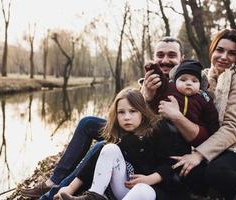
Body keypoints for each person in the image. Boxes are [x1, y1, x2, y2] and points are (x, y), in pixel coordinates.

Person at [20, 36, 211, 199]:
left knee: (101, 146)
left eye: (171, 55)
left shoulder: (189, 86)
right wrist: (145, 96)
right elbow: (126, 113)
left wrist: (177, 118)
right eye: (160, 55)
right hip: (136, 136)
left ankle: (57, 192)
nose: (165, 60)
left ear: (182, 58)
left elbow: (199, 131)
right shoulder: (150, 81)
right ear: (154, 58)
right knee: (87, 123)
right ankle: (54, 182)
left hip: (160, 146)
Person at [162, 29, 236, 200]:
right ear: (212, 50)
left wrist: (199, 154)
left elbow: (234, 128)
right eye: (219, 50)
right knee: (187, 170)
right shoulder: (207, 77)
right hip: (225, 151)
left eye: (232, 53)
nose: (223, 56)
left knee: (215, 171)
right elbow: (177, 83)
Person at [55, 88, 179, 200]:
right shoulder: (120, 136)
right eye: (121, 112)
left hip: (151, 191)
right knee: (109, 148)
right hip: (124, 189)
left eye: (133, 111)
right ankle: (94, 196)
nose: (126, 117)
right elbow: (91, 165)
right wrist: (69, 188)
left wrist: (149, 179)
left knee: (142, 189)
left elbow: (170, 164)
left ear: (142, 112)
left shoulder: (158, 129)